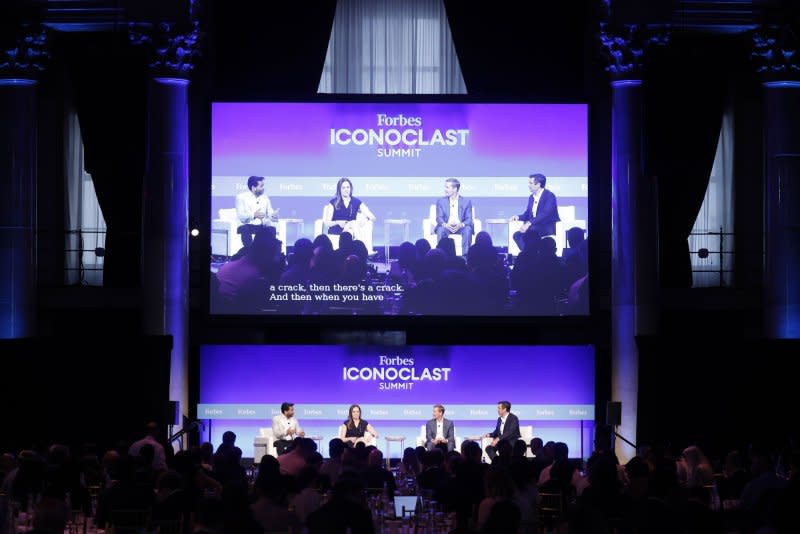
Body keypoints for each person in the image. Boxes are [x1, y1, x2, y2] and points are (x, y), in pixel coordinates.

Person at [510, 173, 560, 252]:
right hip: (534, 226)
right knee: (517, 235)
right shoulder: (531, 197)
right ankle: (529, 254)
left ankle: (531, 254)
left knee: (531, 232)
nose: (528, 185)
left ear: (538, 184)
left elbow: (545, 214)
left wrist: (528, 223)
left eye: (531, 183)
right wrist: (518, 217)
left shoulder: (549, 196)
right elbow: (527, 214)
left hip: (546, 226)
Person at [322, 177, 376, 245]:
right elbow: (327, 223)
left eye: (348, 187)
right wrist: (338, 222)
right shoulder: (333, 202)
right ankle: (361, 246)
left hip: (352, 230)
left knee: (353, 224)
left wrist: (366, 219)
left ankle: (360, 245)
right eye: (343, 188)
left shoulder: (356, 201)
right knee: (353, 224)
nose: (346, 190)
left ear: (351, 189)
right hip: (337, 230)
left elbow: (373, 217)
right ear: (339, 189)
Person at [236, 175, 279, 247]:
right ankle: (249, 253)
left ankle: (270, 253)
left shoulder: (265, 198)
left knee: (271, 229)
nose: (263, 188)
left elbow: (270, 212)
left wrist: (273, 215)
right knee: (245, 229)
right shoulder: (241, 198)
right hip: (246, 226)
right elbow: (241, 216)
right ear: (253, 188)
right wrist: (253, 215)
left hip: (260, 226)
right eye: (261, 186)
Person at [435, 178, 474, 256]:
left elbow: (469, 219)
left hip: (461, 227)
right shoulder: (441, 201)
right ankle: (442, 257)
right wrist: (445, 225)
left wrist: (461, 225)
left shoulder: (466, 201)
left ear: (455, 189)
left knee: (468, 230)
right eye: (445, 187)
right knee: (440, 230)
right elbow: (439, 218)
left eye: (447, 187)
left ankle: (465, 258)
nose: (445, 189)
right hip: (446, 226)